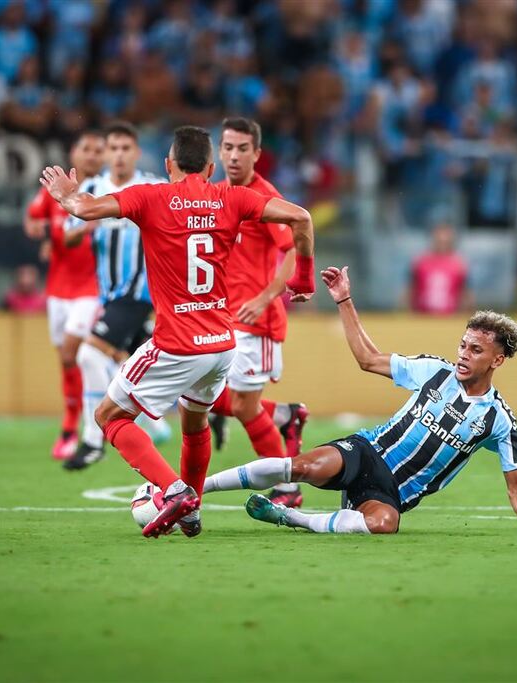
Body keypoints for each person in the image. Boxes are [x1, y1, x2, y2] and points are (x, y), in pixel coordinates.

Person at [39, 125, 317, 538]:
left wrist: (64, 194)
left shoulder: (151, 197)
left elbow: (84, 209)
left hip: (176, 344)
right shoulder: (233, 198)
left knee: (108, 417)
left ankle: (174, 491)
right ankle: (191, 510)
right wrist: (304, 278)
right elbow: (301, 217)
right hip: (222, 344)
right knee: (194, 421)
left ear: (168, 165)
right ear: (211, 167)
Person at [204, 266, 517, 538]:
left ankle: (288, 517)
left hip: (391, 493)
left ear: (497, 360)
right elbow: (368, 359)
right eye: (463, 345)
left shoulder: (498, 420)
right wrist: (344, 300)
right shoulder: (435, 371)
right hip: (366, 452)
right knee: (304, 466)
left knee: (384, 525)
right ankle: (198, 487)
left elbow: (516, 486)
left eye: (476, 350)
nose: (464, 354)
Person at [206, 117, 310, 508]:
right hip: (220, 318)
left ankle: (288, 488)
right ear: (218, 151)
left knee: (242, 406)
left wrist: (266, 298)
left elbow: (294, 248)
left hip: (255, 322)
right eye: (228, 147)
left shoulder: (265, 197)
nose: (234, 155)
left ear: (257, 154)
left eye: (242, 148)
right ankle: (284, 416)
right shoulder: (215, 194)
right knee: (192, 391)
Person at [60, 122, 167, 470]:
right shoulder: (93, 189)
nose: (119, 155)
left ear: (136, 153)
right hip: (110, 295)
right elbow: (68, 236)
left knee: (90, 354)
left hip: (140, 293)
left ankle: (94, 440)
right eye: (114, 148)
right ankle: (191, 418)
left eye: (125, 148)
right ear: (107, 154)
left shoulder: (153, 187)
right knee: (141, 363)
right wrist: (86, 223)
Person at [24, 130, 105, 461]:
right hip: (58, 289)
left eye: (98, 150)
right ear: (74, 153)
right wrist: (38, 231)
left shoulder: (105, 192)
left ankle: (82, 428)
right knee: (67, 360)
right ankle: (75, 424)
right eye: (87, 149)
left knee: (75, 352)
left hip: (92, 288)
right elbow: (33, 218)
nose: (92, 155)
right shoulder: (55, 191)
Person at [410, 224, 472, 315]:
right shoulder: (421, 261)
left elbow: (465, 294)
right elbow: (411, 290)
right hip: (423, 316)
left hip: (450, 317)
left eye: (446, 242)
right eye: (439, 241)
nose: (442, 245)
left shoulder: (459, 264)